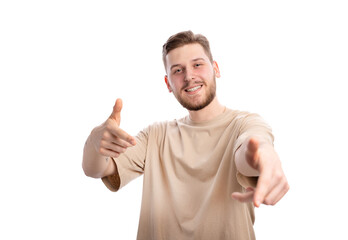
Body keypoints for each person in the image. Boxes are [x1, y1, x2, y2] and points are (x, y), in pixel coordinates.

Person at [82, 30, 289, 240]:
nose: (189, 76)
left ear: (215, 68)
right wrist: (94, 140)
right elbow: (96, 168)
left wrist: (264, 157)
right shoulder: (156, 136)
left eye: (197, 65)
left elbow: (250, 150)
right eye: (178, 70)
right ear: (168, 84)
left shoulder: (245, 124)